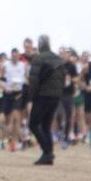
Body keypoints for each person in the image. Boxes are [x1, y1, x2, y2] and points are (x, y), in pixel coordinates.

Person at [25, 35, 65, 165]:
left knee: (33, 124)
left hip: (42, 96)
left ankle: (47, 152)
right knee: (46, 126)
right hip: (55, 97)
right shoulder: (58, 59)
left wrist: (31, 97)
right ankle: (48, 155)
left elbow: (34, 80)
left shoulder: (38, 59)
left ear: (40, 44)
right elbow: (63, 79)